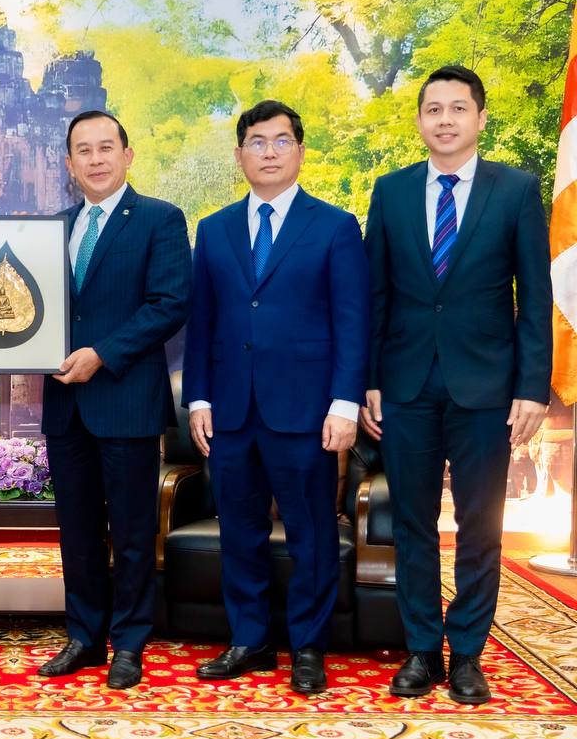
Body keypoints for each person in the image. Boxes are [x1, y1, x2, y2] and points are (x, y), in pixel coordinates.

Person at [361, 65, 550, 704]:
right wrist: (370, 380)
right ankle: (421, 650)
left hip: (487, 389)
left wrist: (532, 387)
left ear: (480, 118)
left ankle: (467, 653)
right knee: (411, 523)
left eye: (458, 108)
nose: (445, 119)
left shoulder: (515, 190)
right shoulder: (390, 191)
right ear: (420, 120)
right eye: (434, 109)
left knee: (480, 524)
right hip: (406, 384)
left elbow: (535, 295)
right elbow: (376, 294)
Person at [182, 100, 369, 694]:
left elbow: (352, 323)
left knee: (312, 532)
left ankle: (308, 647)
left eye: (281, 141)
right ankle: (251, 640)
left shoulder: (335, 226)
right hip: (231, 411)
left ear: (300, 151)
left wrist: (344, 404)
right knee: (240, 530)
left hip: (307, 412)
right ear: (240, 155)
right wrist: (198, 399)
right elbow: (202, 323)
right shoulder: (213, 230)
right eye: (257, 142)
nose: (269, 152)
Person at [37, 110, 191, 690]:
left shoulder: (159, 219)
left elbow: (169, 303)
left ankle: (129, 642)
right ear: (69, 163)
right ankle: (83, 636)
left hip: (126, 398)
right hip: (64, 404)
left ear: (127, 156)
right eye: (84, 150)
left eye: (106, 148)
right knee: (76, 531)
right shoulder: (54, 228)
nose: (96, 159)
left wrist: (102, 353)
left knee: (130, 532)